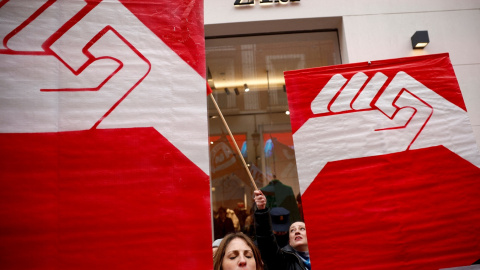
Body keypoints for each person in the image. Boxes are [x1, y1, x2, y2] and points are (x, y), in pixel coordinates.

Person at [254, 190, 311, 270]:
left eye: (302, 229)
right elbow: (267, 243)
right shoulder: (284, 261)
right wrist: (262, 210)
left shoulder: (324, 256)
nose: (297, 232)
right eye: (292, 230)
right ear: (289, 241)